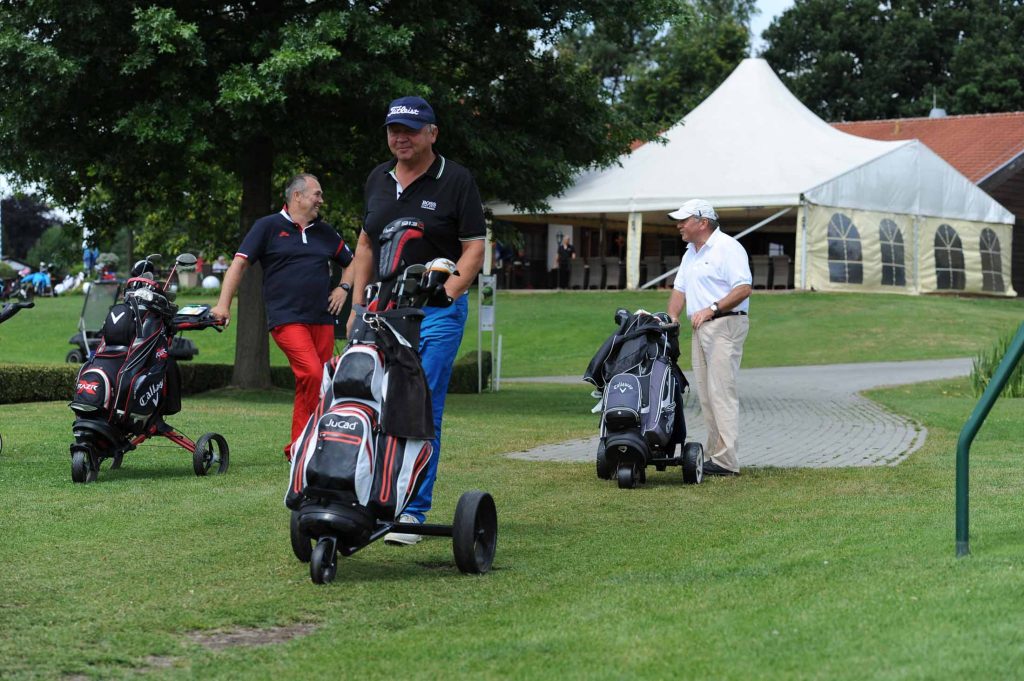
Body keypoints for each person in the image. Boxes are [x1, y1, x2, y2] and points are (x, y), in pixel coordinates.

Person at [349, 95, 485, 543]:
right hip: (383, 311)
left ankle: (411, 510)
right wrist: (357, 306)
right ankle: (371, 495)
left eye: (410, 129)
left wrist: (448, 293)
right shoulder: (378, 178)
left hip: (435, 312)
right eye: (394, 130)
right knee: (369, 400)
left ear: (432, 133)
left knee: (421, 406)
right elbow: (365, 244)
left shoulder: (457, 179)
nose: (400, 137)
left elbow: (474, 247)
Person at [211, 173, 354, 460]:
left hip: (322, 318)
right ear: (297, 196)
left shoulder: (325, 231)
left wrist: (344, 288)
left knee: (315, 382)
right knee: (312, 373)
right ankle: (307, 444)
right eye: (317, 194)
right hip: (287, 318)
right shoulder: (267, 226)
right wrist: (222, 305)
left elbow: (353, 262)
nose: (321, 200)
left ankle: (303, 447)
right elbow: (238, 265)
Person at [666, 199, 752, 477]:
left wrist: (712, 308)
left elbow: (743, 288)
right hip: (701, 327)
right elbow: (679, 290)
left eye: (684, 220)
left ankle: (727, 461)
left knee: (721, 392)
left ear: (702, 222)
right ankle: (715, 454)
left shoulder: (728, 247)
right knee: (706, 394)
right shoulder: (690, 253)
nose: (679, 225)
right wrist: (672, 317)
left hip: (725, 324)